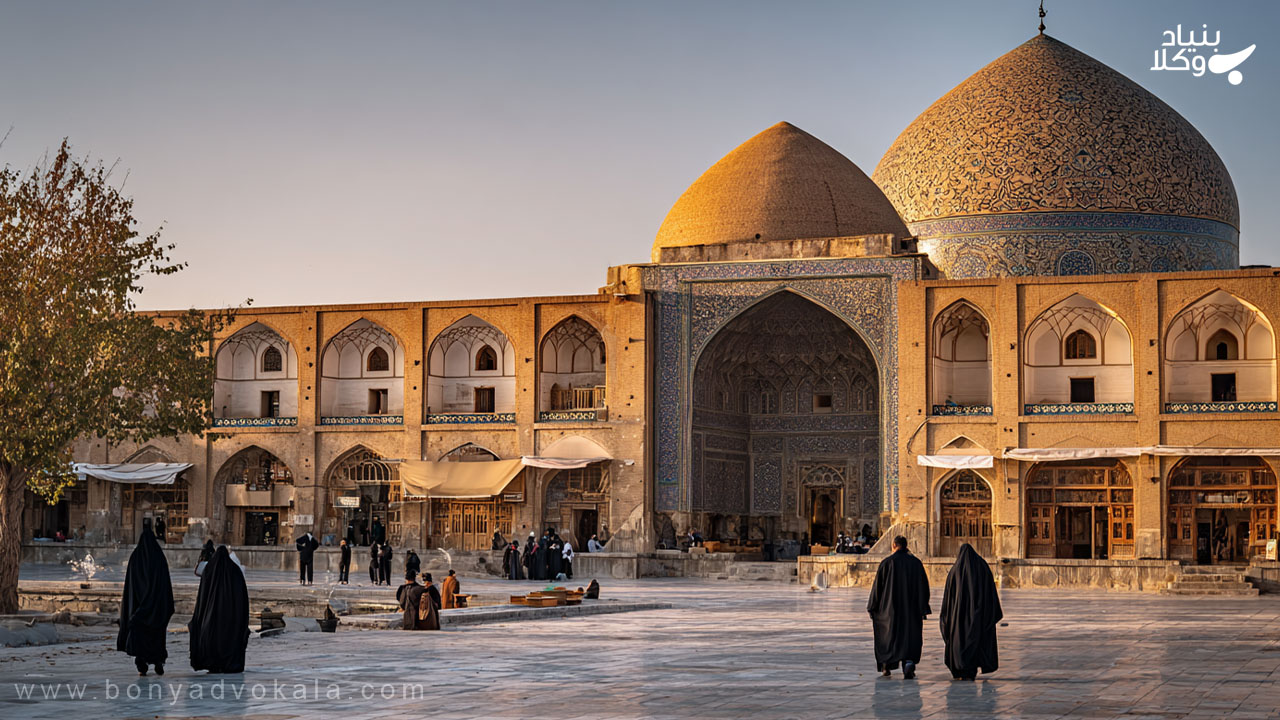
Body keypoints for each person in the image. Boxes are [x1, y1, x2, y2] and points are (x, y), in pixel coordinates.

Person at [866, 536, 931, 679]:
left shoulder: (887, 563)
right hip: (911, 610)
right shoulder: (916, 563)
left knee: (888, 635)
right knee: (909, 637)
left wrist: (872, 606)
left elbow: (878, 588)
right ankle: (908, 663)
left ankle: (886, 664)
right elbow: (923, 588)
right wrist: (923, 607)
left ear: (894, 545)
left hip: (889, 610)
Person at [118, 519, 174, 676]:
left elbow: (130, 586)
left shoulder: (136, 557)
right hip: (156, 609)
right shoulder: (159, 557)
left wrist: (133, 608)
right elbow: (165, 584)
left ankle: (142, 666)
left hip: (139, 610)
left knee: (141, 639)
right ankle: (158, 662)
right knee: (156, 638)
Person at [940, 543, 1002, 681]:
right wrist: (988, 614)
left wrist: (948, 617)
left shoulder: (955, 570)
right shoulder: (982, 567)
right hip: (978, 617)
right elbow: (990, 594)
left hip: (957, 618)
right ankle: (971, 669)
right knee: (976, 639)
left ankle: (960, 668)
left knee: (959, 640)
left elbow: (948, 600)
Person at [189, 545, 250, 673]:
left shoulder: (209, 570)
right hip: (231, 616)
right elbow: (242, 597)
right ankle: (228, 663)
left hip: (211, 616)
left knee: (213, 636)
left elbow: (202, 597)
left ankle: (213, 663)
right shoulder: (235, 571)